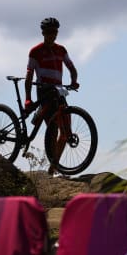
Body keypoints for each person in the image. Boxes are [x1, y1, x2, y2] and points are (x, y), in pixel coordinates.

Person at [24, 17, 79, 175]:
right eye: (49, 32)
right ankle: (53, 167)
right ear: (43, 33)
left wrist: (74, 81)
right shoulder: (35, 51)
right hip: (45, 91)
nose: (52, 35)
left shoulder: (61, 49)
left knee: (66, 131)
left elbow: (71, 68)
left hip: (59, 91)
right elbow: (29, 75)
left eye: (54, 32)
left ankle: (53, 167)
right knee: (53, 129)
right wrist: (28, 98)